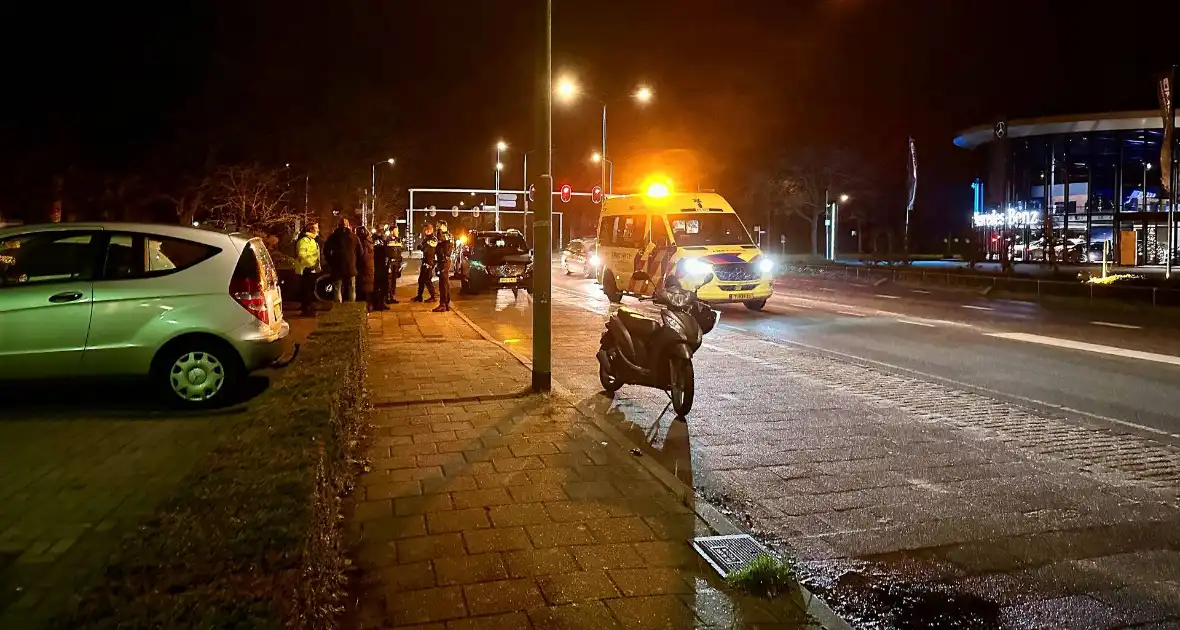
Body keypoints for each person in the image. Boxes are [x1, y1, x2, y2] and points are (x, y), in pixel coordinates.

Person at [324, 218, 359, 302]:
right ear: (348, 226)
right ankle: (352, 306)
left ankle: (338, 308)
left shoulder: (333, 237)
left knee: (337, 288)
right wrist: (354, 260)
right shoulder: (353, 237)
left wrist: (331, 261)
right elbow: (360, 251)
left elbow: (326, 251)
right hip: (350, 265)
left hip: (337, 265)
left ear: (338, 225)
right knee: (352, 287)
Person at [294, 222, 320, 316]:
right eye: (316, 228)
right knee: (306, 290)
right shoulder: (305, 240)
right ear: (311, 230)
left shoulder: (312, 240)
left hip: (311, 269)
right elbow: (301, 255)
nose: (318, 230)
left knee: (310, 289)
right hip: (306, 269)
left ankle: (308, 308)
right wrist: (310, 263)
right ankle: (306, 309)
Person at [411, 224, 438, 303]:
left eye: (425, 230)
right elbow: (425, 248)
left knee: (427, 279)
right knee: (421, 280)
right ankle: (419, 296)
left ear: (429, 230)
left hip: (429, 261)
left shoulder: (433, 239)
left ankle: (433, 296)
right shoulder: (427, 238)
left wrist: (422, 247)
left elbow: (429, 250)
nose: (424, 232)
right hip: (425, 260)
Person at [432, 220, 454, 312]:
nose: (437, 228)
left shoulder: (444, 235)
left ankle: (443, 304)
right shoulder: (449, 235)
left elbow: (440, 242)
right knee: (445, 282)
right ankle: (446, 304)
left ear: (443, 226)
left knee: (443, 283)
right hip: (444, 260)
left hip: (444, 260)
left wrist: (439, 231)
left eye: (438, 226)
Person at [356, 226, 375, 307]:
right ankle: (369, 305)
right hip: (370, 267)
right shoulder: (370, 242)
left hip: (364, 268)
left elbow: (363, 257)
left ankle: (365, 306)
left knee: (364, 287)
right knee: (368, 286)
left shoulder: (363, 243)